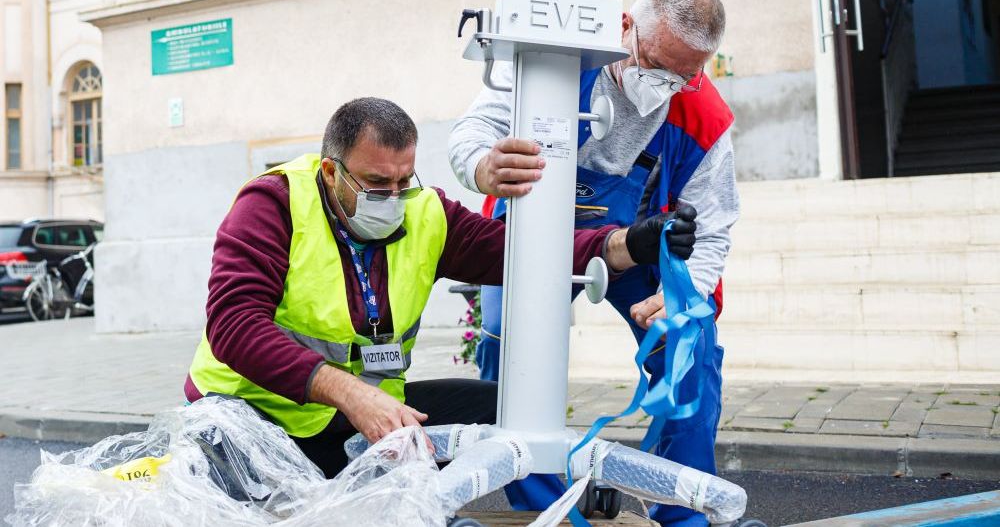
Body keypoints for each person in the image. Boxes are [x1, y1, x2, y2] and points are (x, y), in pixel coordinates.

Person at [183, 97, 693, 479]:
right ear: (330, 171)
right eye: (377, 185)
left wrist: (629, 244)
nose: (395, 196)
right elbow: (234, 324)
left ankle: (429, 501)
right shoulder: (272, 204)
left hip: (355, 421)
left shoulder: (425, 211)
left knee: (505, 406)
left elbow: (519, 254)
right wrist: (348, 392)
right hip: (251, 421)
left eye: (405, 180)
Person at [448, 0, 738, 526]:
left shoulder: (706, 118)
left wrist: (685, 293)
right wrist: (484, 165)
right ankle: (542, 506)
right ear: (625, 27)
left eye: (686, 74)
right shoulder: (554, 56)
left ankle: (684, 513)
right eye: (656, 63)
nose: (667, 83)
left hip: (636, 243)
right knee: (506, 353)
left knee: (688, 347)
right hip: (531, 231)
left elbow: (715, 228)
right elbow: (472, 131)